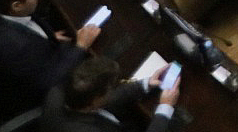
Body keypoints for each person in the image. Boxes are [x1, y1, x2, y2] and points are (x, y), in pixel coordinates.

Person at [0, 0, 100, 116]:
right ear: (17, 5)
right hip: (34, 96)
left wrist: (47, 37)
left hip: (37, 61)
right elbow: (49, 82)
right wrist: (81, 47)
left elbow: (28, 29)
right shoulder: (18, 46)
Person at [42, 54, 181, 132]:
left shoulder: (56, 93)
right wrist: (165, 108)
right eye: (111, 88)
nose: (115, 88)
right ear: (95, 100)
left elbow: (107, 98)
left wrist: (145, 84)